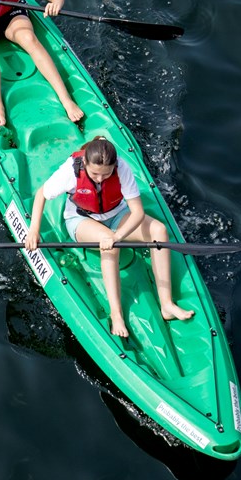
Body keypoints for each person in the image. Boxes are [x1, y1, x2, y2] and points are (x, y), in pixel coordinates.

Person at [24, 136, 194, 338]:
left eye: (106, 174)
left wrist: (118, 235)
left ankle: (166, 304)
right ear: (85, 162)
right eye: (95, 174)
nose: (99, 179)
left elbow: (137, 212)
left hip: (118, 215)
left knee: (158, 230)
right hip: (82, 221)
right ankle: (116, 314)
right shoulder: (71, 170)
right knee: (110, 246)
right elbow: (42, 194)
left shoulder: (121, 168)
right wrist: (33, 230)